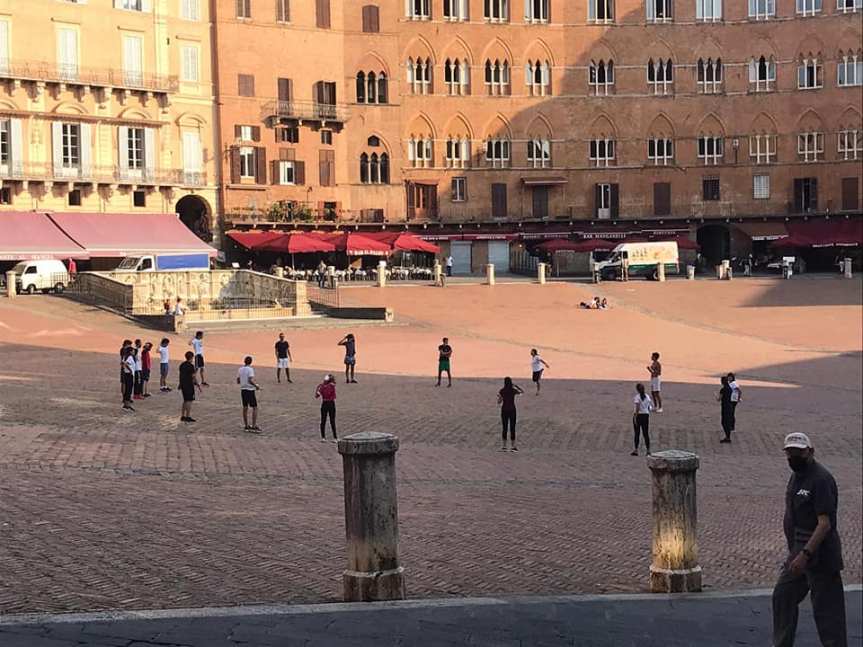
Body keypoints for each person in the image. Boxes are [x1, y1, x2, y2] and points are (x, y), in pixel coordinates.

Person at [772, 432, 847, 647]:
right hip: (798, 551)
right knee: (783, 596)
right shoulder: (796, 476)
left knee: (828, 613)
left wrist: (805, 554)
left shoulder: (821, 479)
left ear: (810, 452)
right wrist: (795, 553)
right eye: (790, 453)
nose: (793, 457)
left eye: (798, 453)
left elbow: (824, 524)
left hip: (820, 555)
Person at [497, 377, 523, 451]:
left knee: (504, 428)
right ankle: (513, 446)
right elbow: (521, 392)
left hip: (504, 410)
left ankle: (504, 446)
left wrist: (499, 397)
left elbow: (499, 402)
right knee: (512, 428)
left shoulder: (502, 390)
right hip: (512, 410)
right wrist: (516, 386)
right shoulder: (513, 390)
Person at [237, 356, 262, 433]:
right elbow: (250, 380)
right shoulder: (250, 370)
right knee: (254, 407)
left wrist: (242, 382)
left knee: (245, 407)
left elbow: (238, 380)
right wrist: (256, 386)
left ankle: (246, 425)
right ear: (251, 362)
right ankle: (253, 425)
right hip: (250, 390)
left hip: (243, 390)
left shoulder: (240, 369)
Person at [178, 350, 201, 423]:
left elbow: (181, 375)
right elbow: (193, 376)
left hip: (183, 384)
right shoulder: (191, 366)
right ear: (191, 357)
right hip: (188, 385)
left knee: (185, 400)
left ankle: (182, 415)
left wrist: (180, 384)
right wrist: (197, 384)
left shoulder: (182, 365)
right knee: (189, 401)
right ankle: (187, 416)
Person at [631, 383, 653, 456]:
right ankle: (648, 450)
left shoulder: (637, 397)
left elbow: (637, 407)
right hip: (646, 415)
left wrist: (635, 417)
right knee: (645, 433)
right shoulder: (647, 396)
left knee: (637, 433)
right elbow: (650, 407)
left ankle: (636, 450)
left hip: (639, 415)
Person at [315, 374, 337, 442]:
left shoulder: (324, 386)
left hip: (326, 403)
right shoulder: (330, 386)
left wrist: (320, 389)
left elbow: (317, 395)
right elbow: (317, 395)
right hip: (330, 403)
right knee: (330, 420)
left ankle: (324, 437)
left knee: (325, 420)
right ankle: (334, 437)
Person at [717, 375, 734, 443]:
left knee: (724, 422)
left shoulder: (723, 389)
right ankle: (728, 436)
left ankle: (727, 437)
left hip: (725, 406)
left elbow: (719, 399)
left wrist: (716, 396)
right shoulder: (730, 388)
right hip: (730, 405)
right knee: (728, 421)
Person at [121, 346, 135, 411]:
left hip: (126, 374)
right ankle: (127, 405)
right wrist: (130, 370)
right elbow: (126, 364)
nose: (134, 352)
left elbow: (122, 363)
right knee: (128, 390)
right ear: (130, 351)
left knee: (127, 390)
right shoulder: (129, 357)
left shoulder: (125, 356)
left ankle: (126, 404)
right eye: (133, 351)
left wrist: (125, 368)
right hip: (129, 375)